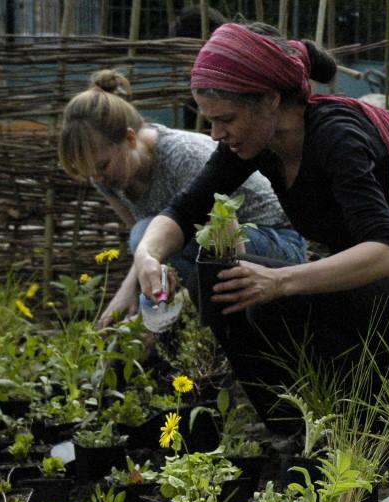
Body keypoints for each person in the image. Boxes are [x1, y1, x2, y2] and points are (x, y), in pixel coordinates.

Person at [127, 24, 389, 430]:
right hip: (369, 298)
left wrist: (280, 281)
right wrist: (147, 256)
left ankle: (362, 421)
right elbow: (184, 210)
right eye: (212, 121)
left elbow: (385, 254)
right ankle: (289, 427)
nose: (217, 133)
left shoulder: (338, 137)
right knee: (218, 278)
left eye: (226, 119)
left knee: (278, 296)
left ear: (271, 100)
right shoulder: (257, 142)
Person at [58, 69, 305, 328]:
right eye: (89, 173)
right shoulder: (109, 179)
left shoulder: (182, 155)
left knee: (168, 235)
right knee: (144, 236)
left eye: (102, 166)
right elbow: (147, 245)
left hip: (274, 244)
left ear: (130, 138)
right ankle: (177, 321)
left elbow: (222, 229)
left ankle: (213, 321)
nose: (98, 179)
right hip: (211, 251)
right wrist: (125, 295)